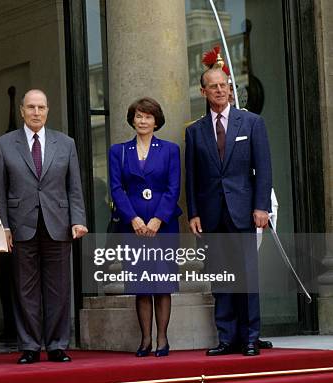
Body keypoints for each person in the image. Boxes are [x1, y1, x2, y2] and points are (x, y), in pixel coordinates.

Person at [0, 89, 88, 364]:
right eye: (31, 107)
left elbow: (74, 187)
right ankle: (30, 346)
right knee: (24, 289)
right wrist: (4, 228)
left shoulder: (66, 143)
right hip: (21, 226)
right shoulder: (3, 144)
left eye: (41, 107)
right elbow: (0, 191)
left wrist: (78, 219)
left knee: (59, 288)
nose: (36, 112)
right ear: (22, 110)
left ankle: (57, 344)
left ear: (47, 111)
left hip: (58, 224)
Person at [185, 65, 272, 357]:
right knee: (221, 277)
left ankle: (250, 337)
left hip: (244, 211)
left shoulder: (251, 123)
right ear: (203, 91)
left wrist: (262, 207)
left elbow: (264, 170)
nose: (220, 90)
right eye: (213, 86)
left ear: (230, 88)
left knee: (246, 276)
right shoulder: (194, 131)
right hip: (211, 214)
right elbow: (192, 176)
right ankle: (226, 337)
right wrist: (194, 213)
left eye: (224, 85)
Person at [108, 97, 181, 357]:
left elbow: (174, 189)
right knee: (141, 285)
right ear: (132, 120)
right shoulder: (118, 151)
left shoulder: (170, 150)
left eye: (148, 116)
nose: (143, 121)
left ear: (156, 121)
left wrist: (157, 219)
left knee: (162, 285)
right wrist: (134, 219)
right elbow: (116, 188)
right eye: (138, 116)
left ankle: (162, 339)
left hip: (164, 225)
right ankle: (145, 340)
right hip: (133, 226)